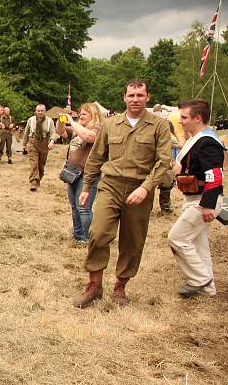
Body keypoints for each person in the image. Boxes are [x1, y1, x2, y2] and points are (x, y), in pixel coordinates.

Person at [75, 78, 172, 308]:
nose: (135, 99)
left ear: (148, 97)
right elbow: (97, 156)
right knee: (98, 232)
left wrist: (146, 187)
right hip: (111, 186)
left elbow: (163, 161)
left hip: (140, 189)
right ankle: (94, 285)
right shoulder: (111, 124)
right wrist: (87, 187)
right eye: (131, 95)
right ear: (124, 97)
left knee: (132, 241)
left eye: (140, 95)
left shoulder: (159, 126)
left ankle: (120, 287)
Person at [168, 99, 225, 298]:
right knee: (199, 244)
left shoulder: (208, 142)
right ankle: (209, 290)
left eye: (184, 117)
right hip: (194, 198)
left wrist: (207, 206)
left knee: (177, 238)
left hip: (203, 201)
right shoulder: (198, 138)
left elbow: (215, 175)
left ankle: (200, 279)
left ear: (198, 118)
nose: (181, 121)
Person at [55, 103, 103, 243]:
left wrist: (72, 121)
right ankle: (77, 235)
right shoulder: (78, 129)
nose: (81, 116)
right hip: (72, 172)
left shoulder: (98, 128)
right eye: (80, 114)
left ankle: (86, 236)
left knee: (83, 207)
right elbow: (61, 132)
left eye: (84, 114)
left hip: (87, 174)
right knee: (74, 206)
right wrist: (61, 121)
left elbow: (89, 137)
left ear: (93, 115)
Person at [21, 104, 56, 191]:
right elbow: (26, 132)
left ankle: (38, 179)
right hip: (33, 142)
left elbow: (53, 133)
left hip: (44, 143)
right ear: (36, 111)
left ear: (45, 111)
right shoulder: (31, 120)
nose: (40, 112)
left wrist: (52, 141)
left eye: (42, 111)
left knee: (41, 164)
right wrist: (24, 145)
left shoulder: (49, 121)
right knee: (34, 164)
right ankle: (33, 182)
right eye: (38, 111)